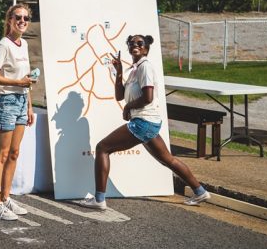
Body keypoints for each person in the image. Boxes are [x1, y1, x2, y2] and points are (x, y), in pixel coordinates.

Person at [80, 34, 210, 210]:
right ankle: (200, 191)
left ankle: (99, 199)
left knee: (103, 148)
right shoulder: (134, 70)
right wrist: (118, 71)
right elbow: (120, 96)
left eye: (140, 43)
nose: (135, 45)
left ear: (146, 48)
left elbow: (148, 97)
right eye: (132, 43)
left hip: (143, 122)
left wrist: (128, 108)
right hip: (148, 122)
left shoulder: (145, 67)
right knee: (168, 160)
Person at [0, 4, 36, 221]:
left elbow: (27, 79)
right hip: (6, 101)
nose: (22, 21)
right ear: (9, 20)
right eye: (18, 17)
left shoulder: (23, 43)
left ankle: (6, 197)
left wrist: (30, 106)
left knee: (14, 153)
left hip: (21, 100)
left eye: (26, 18)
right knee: (2, 154)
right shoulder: (2, 45)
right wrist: (16, 82)